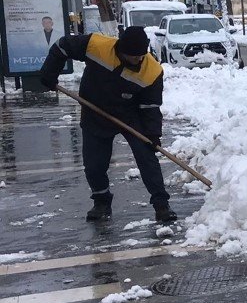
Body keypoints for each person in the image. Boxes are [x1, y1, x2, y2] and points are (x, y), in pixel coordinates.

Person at [39, 26, 178, 224]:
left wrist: (153, 135)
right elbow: (63, 46)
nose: (139, 60)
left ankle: (161, 205)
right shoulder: (97, 46)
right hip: (96, 110)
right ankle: (101, 202)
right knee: (94, 164)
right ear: (121, 49)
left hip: (131, 114)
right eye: (134, 56)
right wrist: (49, 73)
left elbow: (151, 106)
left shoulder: (152, 71)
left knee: (147, 156)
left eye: (142, 55)